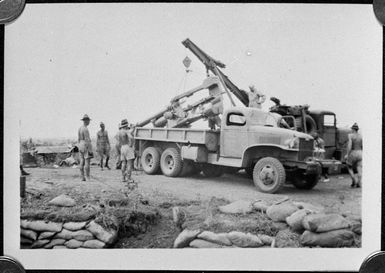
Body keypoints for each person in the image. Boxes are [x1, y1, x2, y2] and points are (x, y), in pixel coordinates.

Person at [346, 123, 363, 188]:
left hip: (353, 152)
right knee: (359, 168)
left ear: (353, 129)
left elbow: (349, 145)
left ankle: (354, 180)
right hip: (360, 152)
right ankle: (359, 183)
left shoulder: (350, 135)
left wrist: (347, 154)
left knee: (349, 166)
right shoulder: (361, 136)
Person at [78, 114, 93, 181]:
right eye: (88, 120)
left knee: (81, 160)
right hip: (85, 144)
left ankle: (82, 177)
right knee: (87, 161)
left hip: (80, 144)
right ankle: (87, 177)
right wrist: (90, 149)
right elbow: (87, 140)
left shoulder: (80, 128)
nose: (89, 122)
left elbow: (78, 138)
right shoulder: (85, 129)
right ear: (86, 121)